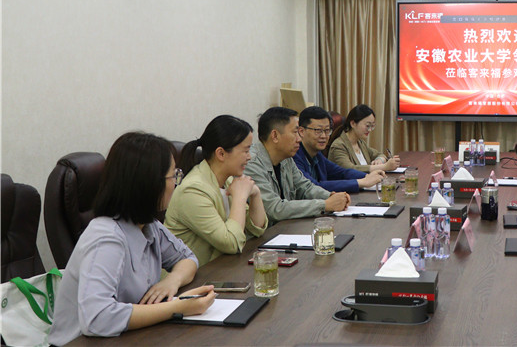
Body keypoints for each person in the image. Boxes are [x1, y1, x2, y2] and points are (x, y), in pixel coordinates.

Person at [48, 132, 215, 345]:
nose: (176, 183)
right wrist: (177, 307)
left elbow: (187, 259)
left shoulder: (148, 225)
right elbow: (97, 319)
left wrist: (172, 281)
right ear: (149, 184)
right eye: (173, 176)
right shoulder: (106, 238)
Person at [165, 115, 268, 266]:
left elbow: (256, 229)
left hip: (222, 269)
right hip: (194, 277)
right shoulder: (193, 190)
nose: (249, 157)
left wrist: (256, 194)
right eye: (245, 151)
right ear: (221, 153)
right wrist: (240, 198)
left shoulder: (228, 180)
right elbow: (232, 243)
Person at [245, 106, 350, 225]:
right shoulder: (251, 163)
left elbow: (305, 187)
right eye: (295, 132)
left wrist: (331, 196)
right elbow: (274, 208)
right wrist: (324, 204)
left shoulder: (286, 158)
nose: (299, 139)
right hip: (266, 235)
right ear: (275, 136)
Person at [294, 106, 385, 193]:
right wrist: (360, 182)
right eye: (318, 130)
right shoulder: (295, 156)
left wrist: (367, 176)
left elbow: (341, 172)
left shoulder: (317, 155)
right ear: (301, 131)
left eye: (327, 130)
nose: (324, 136)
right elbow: (313, 187)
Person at [327, 104, 400, 172]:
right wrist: (384, 167)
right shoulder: (338, 145)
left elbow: (380, 154)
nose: (370, 130)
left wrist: (379, 160)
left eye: (372, 126)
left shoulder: (360, 143)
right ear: (353, 123)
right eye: (367, 125)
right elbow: (350, 169)